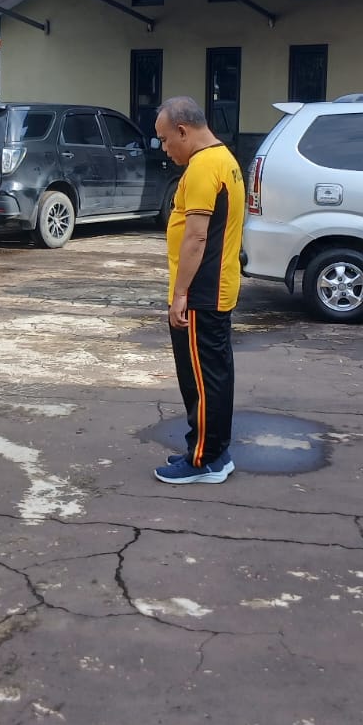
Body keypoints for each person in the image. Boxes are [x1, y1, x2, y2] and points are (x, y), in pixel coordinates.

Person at [152, 96, 245, 486]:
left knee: (202, 380)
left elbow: (196, 236)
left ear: (182, 131)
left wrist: (180, 294)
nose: (164, 147)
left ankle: (205, 458)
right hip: (214, 287)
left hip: (202, 292)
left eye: (164, 139)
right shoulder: (224, 159)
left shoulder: (205, 166)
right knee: (213, 375)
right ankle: (211, 448)